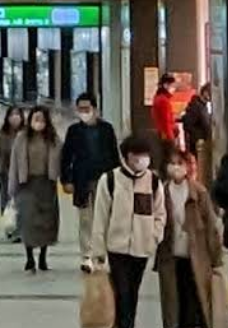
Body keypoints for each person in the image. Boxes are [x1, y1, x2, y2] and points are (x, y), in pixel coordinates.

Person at [91, 135, 167, 328]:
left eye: (144, 155)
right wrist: (98, 252)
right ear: (126, 156)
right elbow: (100, 218)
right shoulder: (109, 180)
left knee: (132, 294)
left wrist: (154, 237)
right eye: (136, 155)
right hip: (116, 248)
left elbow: (160, 214)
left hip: (141, 248)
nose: (141, 159)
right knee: (122, 294)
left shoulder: (153, 182)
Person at [156, 149, 223, 328]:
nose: (176, 167)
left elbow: (211, 226)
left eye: (180, 163)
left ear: (187, 167)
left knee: (195, 303)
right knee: (173, 304)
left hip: (196, 257)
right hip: (171, 257)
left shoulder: (199, 192)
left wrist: (216, 257)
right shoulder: (162, 192)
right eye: (172, 163)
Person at [60, 93, 120, 272]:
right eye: (80, 109)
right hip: (82, 180)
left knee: (105, 217)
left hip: (104, 179)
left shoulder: (107, 129)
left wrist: (118, 179)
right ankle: (86, 255)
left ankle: (101, 253)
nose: (84, 112)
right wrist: (66, 179)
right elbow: (66, 157)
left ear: (95, 109)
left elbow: (114, 155)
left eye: (87, 108)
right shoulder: (74, 131)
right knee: (86, 219)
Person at [8, 106, 62, 273]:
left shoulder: (54, 139)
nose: (39, 122)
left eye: (42, 119)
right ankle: (30, 257)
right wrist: (12, 186)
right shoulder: (21, 138)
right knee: (28, 221)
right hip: (27, 185)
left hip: (46, 184)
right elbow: (14, 164)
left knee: (46, 222)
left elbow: (62, 160)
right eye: (36, 119)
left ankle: (43, 257)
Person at [0, 106, 25, 217]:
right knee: (7, 201)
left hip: (24, 174)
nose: (15, 118)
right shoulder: (1, 135)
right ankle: (8, 221)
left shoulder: (27, 134)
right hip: (6, 173)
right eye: (12, 115)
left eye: (17, 114)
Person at [182, 83, 212, 157]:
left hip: (202, 141)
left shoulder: (203, 106)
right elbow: (188, 124)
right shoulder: (196, 106)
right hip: (197, 142)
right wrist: (199, 135)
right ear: (205, 92)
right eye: (210, 93)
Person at [153, 73, 178, 142]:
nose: (174, 88)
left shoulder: (158, 98)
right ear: (165, 85)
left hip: (162, 134)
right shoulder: (163, 100)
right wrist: (171, 139)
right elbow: (166, 122)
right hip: (166, 136)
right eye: (172, 85)